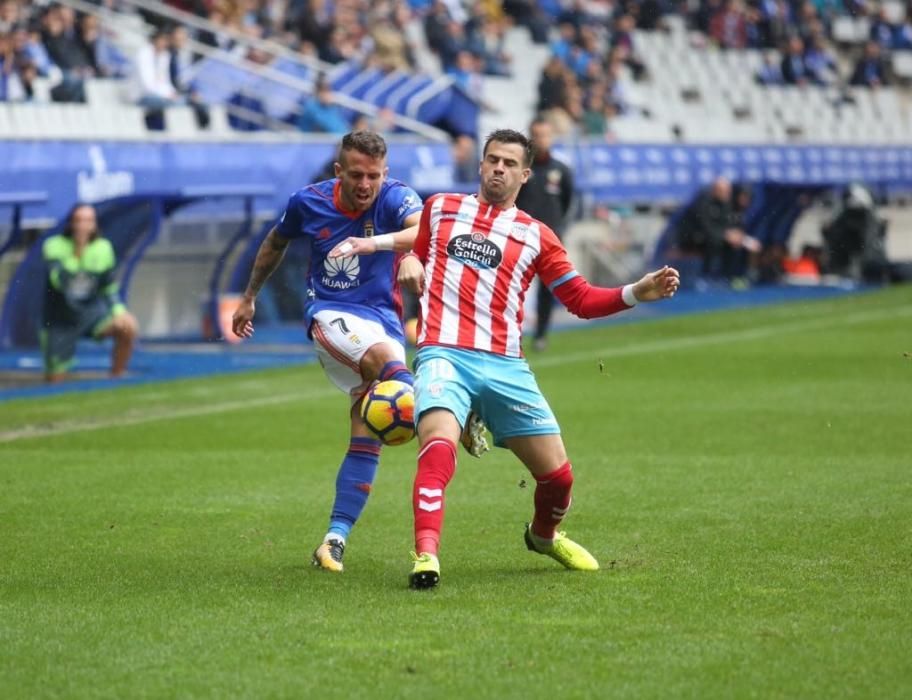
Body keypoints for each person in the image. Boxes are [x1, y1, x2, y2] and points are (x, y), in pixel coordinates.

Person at [330, 129, 679, 589]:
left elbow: (580, 299)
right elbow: (404, 243)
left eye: (509, 163)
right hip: (443, 354)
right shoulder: (440, 209)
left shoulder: (537, 236)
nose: (498, 168)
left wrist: (637, 291)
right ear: (480, 165)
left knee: (558, 479)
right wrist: (405, 260)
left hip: (505, 365)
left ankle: (543, 536)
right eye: (492, 159)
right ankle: (426, 556)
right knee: (436, 447)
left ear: (525, 174)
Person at [230, 131, 486, 575]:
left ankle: (333, 540)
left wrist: (408, 254)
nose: (365, 184)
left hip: (383, 320)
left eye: (373, 175)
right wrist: (250, 295)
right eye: (356, 175)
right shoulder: (306, 202)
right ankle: (454, 412)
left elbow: (422, 228)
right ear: (338, 172)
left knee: (366, 434)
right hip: (330, 314)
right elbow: (275, 242)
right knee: (392, 374)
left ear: (385, 173)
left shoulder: (394, 197)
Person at [41, 204, 139, 382]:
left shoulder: (103, 248)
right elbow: (59, 281)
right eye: (79, 220)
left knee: (128, 326)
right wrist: (79, 250)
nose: (83, 225)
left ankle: (116, 378)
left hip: (91, 315)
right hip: (61, 319)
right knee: (55, 381)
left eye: (88, 220)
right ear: (71, 223)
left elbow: (108, 286)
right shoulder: (53, 246)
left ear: (94, 224)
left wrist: (119, 311)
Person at [514, 118, 574, 351]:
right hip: (519, 238)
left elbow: (568, 201)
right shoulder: (520, 169)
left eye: (545, 135)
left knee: (549, 288)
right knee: (512, 286)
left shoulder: (561, 170)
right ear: (529, 138)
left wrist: (555, 227)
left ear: (552, 137)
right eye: (537, 135)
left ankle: (541, 334)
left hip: (550, 239)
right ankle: (511, 336)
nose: (541, 140)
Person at [672, 176, 760, 280]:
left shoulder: (727, 204)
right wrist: (725, 235)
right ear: (715, 190)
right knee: (714, 243)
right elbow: (706, 227)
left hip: (717, 236)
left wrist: (735, 235)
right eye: (724, 191)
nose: (727, 194)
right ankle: (706, 276)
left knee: (738, 245)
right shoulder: (704, 203)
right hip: (694, 237)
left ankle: (734, 276)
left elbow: (728, 224)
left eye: (728, 191)